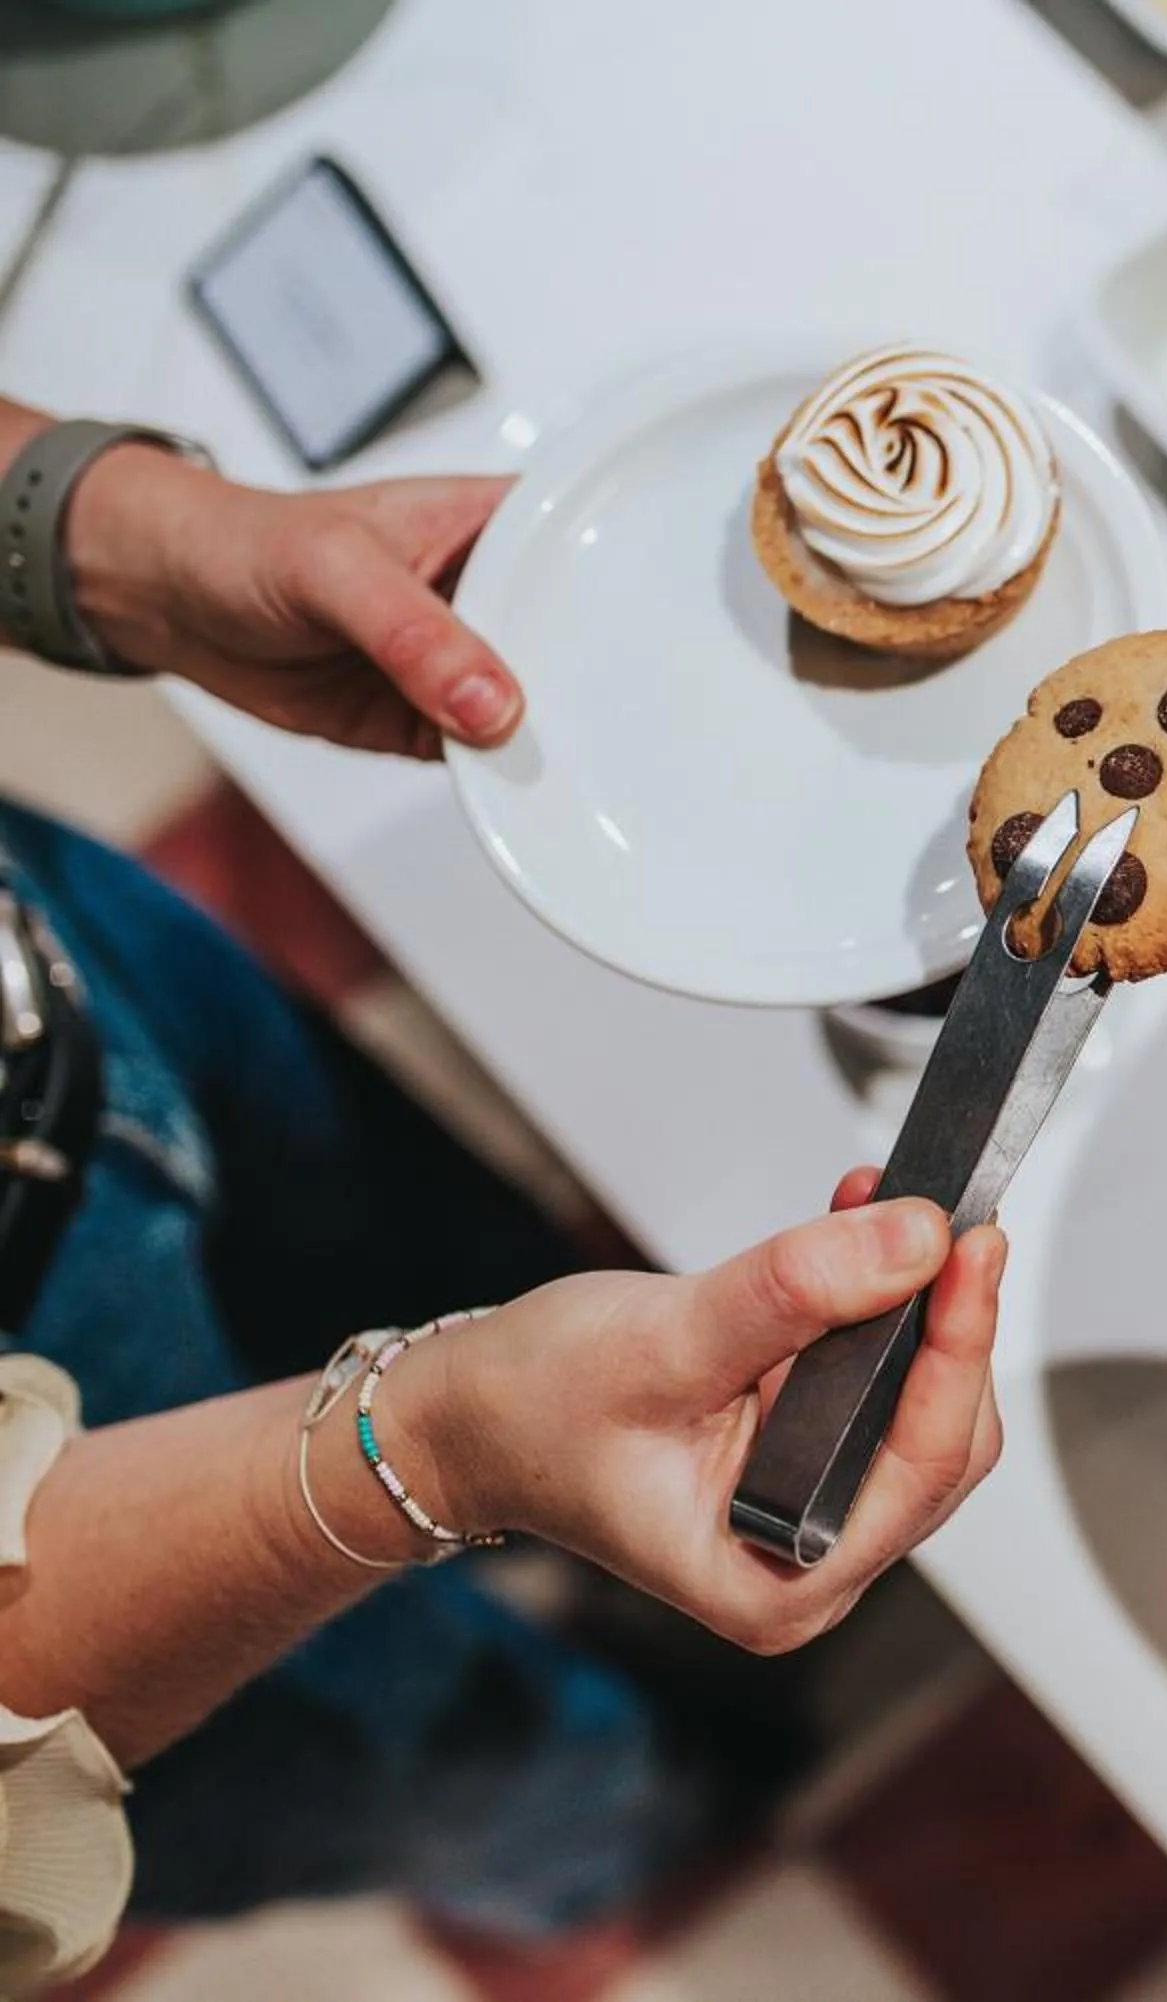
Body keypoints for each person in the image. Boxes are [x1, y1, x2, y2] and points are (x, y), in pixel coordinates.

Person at [0, 402, 1008, 1984]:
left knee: (421, 1229)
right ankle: (660, 1810)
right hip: (67, 1596)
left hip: (53, 965)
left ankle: (584, 1482)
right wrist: (444, 1444)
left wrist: (87, 530)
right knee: (459, 1754)